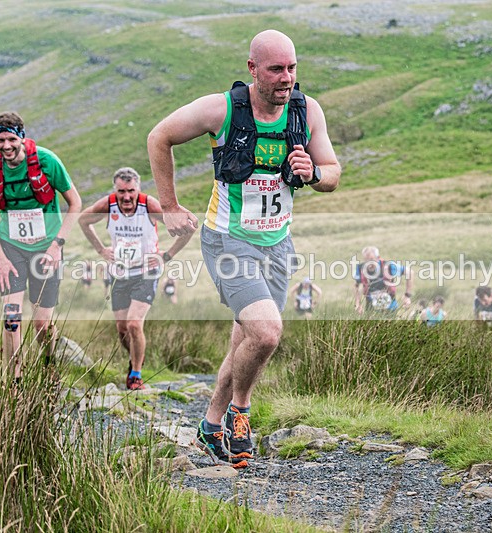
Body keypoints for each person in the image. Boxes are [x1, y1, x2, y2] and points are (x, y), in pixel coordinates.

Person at [147, 29, 340, 468]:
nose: (286, 78)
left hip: (277, 243)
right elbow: (159, 137)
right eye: (276, 69)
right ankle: (240, 412)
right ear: (252, 69)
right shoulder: (223, 109)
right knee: (266, 332)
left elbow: (332, 172)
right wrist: (171, 205)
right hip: (228, 240)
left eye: (292, 68)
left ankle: (210, 424)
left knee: (246, 337)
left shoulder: (307, 112)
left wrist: (313, 173)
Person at [0, 111, 82, 382]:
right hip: (11, 248)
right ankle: (16, 381)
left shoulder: (47, 160)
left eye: (11, 139)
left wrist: (57, 247)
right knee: (12, 319)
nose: (6, 146)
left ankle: (49, 368)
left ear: (22, 137)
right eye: (0, 140)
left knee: (41, 323)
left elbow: (75, 203)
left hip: (47, 249)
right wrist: (0, 257)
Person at [78, 167, 192, 390]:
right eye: (122, 191)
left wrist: (166, 256)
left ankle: (136, 376)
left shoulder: (148, 206)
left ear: (138, 189)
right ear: (115, 190)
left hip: (145, 272)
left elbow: (187, 228)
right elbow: (83, 221)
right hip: (119, 272)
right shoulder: (108, 204)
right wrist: (101, 250)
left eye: (131, 191)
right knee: (122, 329)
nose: (126, 197)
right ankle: (135, 360)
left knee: (133, 323)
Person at [353, 246, 413, 314]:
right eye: (366, 260)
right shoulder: (360, 268)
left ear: (378, 257)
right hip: (371, 310)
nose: (369, 263)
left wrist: (407, 296)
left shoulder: (388, 266)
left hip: (390, 308)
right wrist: (357, 303)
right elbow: (356, 285)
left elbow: (409, 272)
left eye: (371, 259)